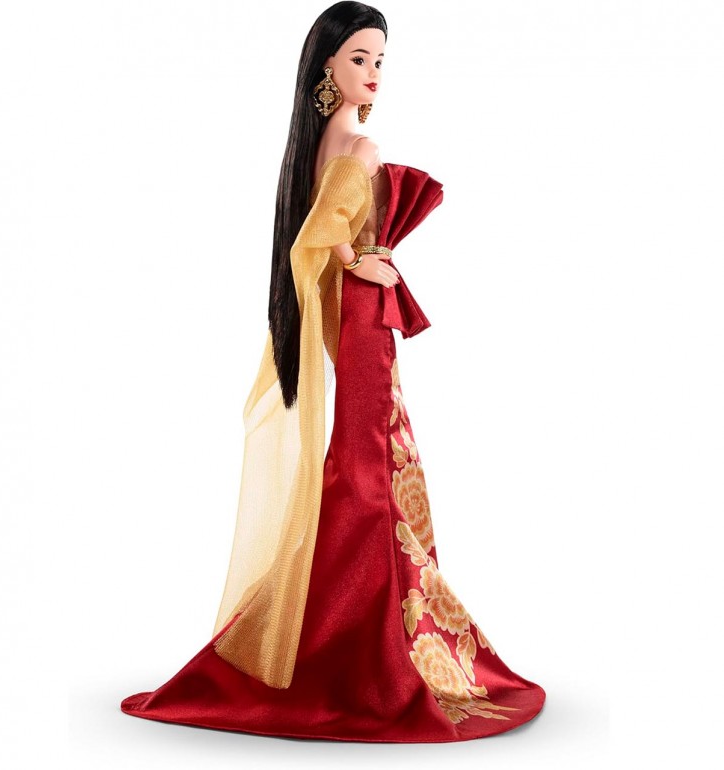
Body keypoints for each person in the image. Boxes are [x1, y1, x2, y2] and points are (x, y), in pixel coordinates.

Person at [121, 1, 546, 742]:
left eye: (380, 60)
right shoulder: (359, 145)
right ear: (326, 64)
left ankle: (342, 621)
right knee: (369, 467)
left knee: (363, 464)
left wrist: (356, 259)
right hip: (361, 320)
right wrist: (362, 262)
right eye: (358, 58)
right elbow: (315, 238)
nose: (373, 72)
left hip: (352, 320)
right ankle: (368, 647)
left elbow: (311, 229)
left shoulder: (322, 142)